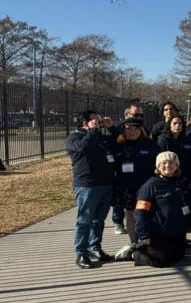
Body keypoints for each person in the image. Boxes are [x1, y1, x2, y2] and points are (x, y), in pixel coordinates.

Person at [67, 110, 115, 269]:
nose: (98, 124)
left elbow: (114, 146)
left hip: (105, 183)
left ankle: (95, 248)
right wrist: (92, 131)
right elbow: (83, 147)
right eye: (95, 121)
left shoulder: (99, 136)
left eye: (99, 121)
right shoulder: (75, 137)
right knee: (84, 221)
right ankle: (81, 253)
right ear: (84, 123)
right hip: (87, 185)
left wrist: (109, 129)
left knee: (99, 219)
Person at [130, 151, 189, 267]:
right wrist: (144, 235)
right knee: (162, 261)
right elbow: (140, 212)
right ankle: (135, 253)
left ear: (176, 165)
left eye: (171, 163)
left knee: (178, 257)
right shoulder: (151, 185)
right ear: (158, 166)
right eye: (164, 163)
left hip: (176, 230)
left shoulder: (180, 182)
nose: (168, 166)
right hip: (158, 231)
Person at [111, 117, 160, 244]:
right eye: (128, 128)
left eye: (135, 128)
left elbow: (159, 164)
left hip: (145, 187)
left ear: (140, 129)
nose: (132, 131)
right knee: (131, 215)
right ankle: (134, 243)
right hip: (126, 186)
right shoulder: (119, 144)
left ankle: (148, 242)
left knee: (146, 215)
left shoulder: (150, 145)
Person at [156, 116, 191, 185]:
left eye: (180, 123)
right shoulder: (163, 139)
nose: (177, 125)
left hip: (185, 174)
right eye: (174, 123)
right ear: (169, 125)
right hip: (169, 172)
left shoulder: (187, 140)